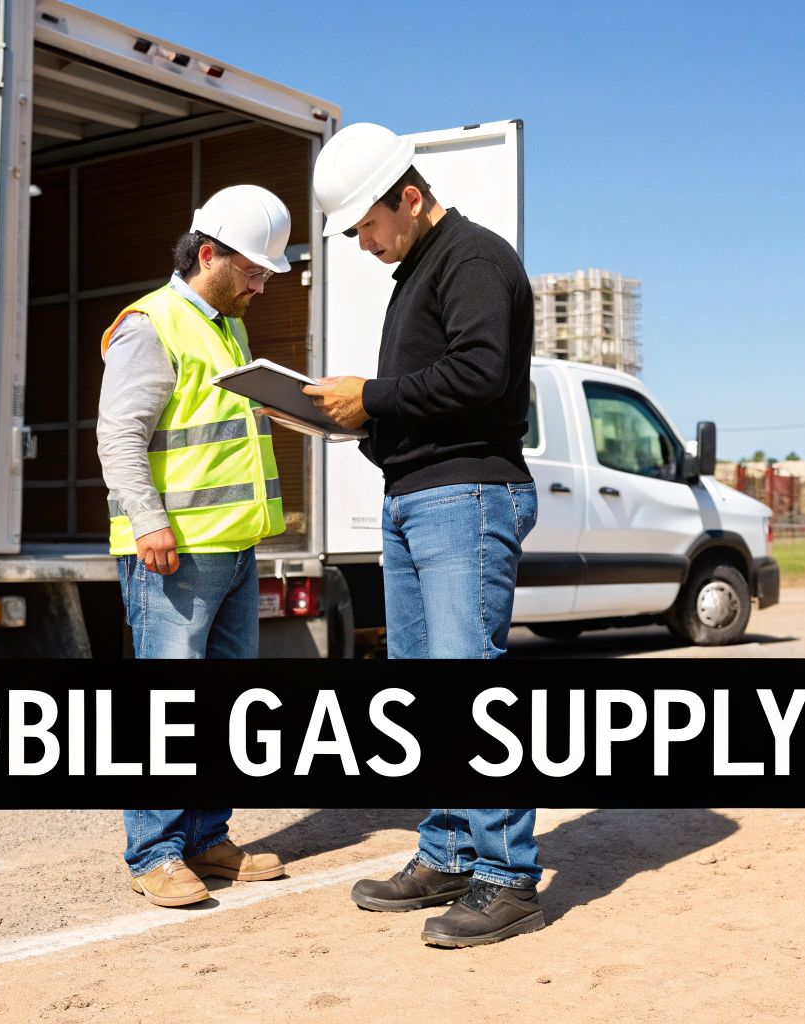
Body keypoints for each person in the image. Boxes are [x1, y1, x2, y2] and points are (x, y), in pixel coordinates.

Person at [305, 122, 544, 947]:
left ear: (409, 199)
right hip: (415, 495)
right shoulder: (417, 272)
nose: (362, 244)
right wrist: (349, 420)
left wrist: (370, 397)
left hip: (465, 496)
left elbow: (480, 374)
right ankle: (449, 852)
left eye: (367, 225)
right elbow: (428, 396)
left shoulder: (471, 258)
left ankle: (507, 877)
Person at [95, 184, 292, 906]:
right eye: (253, 271)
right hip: (173, 551)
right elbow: (119, 436)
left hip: (232, 548)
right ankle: (154, 853)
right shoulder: (152, 324)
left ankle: (207, 837)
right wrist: (148, 521)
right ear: (208, 254)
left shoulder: (226, 326)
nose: (261, 286)